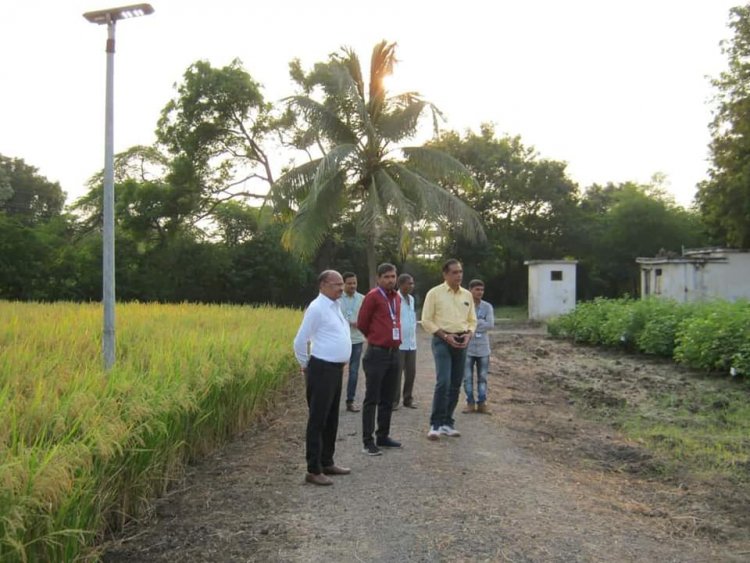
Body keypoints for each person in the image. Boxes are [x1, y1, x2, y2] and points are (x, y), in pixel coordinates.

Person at [293, 270, 352, 486]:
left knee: (331, 418)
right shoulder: (317, 308)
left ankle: (327, 461)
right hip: (321, 368)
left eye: (341, 284)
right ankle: (313, 469)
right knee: (318, 420)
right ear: (323, 285)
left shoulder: (336, 306)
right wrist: (305, 366)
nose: (341, 288)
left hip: (335, 369)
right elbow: (300, 341)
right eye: (337, 284)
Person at [421, 259, 477, 440]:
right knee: (443, 381)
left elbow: (472, 320)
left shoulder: (467, 295)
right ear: (445, 274)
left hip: (461, 340)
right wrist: (445, 336)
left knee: (455, 383)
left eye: (460, 272)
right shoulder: (435, 293)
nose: (458, 275)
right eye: (454, 272)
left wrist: (469, 334)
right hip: (442, 340)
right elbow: (426, 320)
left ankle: (447, 422)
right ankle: (435, 424)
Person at [356, 263, 403, 455]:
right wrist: (376, 338)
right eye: (386, 277)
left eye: (393, 276)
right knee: (372, 398)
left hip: (394, 353)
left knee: (388, 398)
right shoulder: (373, 296)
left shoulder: (397, 298)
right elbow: (362, 323)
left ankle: (383, 436)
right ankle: (368, 442)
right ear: (378, 278)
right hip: (377, 353)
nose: (390, 280)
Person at [462, 279, 495, 414]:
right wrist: (480, 322)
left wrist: (472, 325)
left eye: (482, 290)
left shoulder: (487, 307)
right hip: (467, 347)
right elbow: (461, 325)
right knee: (467, 378)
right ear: (470, 290)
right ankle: (470, 402)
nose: (480, 292)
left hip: (483, 348)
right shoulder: (464, 306)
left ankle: (482, 403)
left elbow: (491, 324)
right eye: (477, 289)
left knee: (482, 377)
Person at [340, 272, 365, 412]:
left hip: (356, 340)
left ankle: (350, 401)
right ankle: (333, 400)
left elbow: (368, 317)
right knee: (337, 371)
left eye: (354, 283)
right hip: (340, 340)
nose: (352, 286)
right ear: (343, 284)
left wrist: (360, 323)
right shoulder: (337, 299)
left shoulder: (363, 298)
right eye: (349, 283)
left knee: (354, 371)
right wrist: (349, 322)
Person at [394, 273, 418, 409]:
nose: (411, 286)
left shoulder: (412, 299)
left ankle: (408, 399)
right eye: (409, 283)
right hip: (399, 343)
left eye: (412, 283)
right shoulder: (395, 299)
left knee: (411, 372)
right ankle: (394, 401)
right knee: (397, 373)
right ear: (401, 284)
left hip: (411, 343)